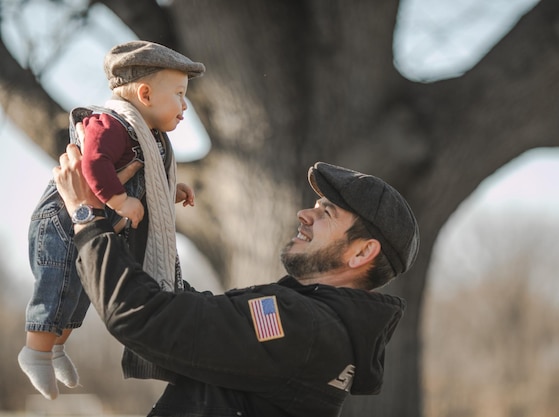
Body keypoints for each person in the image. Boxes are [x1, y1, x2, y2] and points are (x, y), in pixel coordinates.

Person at [54, 143, 420, 417]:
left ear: (360, 253)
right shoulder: (314, 326)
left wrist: (86, 215)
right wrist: (139, 214)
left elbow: (142, 315)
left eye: (327, 212)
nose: (305, 214)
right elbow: (184, 310)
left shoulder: (300, 326)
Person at [18, 40, 205, 400]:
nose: (185, 106)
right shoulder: (111, 123)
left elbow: (143, 174)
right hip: (61, 222)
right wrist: (119, 199)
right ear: (146, 94)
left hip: (89, 222)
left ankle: (57, 348)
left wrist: (170, 188)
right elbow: (93, 164)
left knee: (82, 292)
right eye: (180, 95)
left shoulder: (148, 137)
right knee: (58, 285)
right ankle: (36, 351)